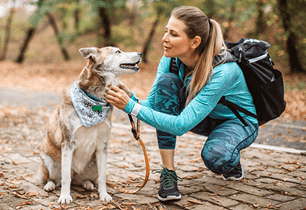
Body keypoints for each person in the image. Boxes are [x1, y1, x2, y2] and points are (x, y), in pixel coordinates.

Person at [105, 6, 258, 202]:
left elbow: (181, 125)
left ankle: (230, 157)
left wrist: (130, 107)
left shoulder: (223, 71)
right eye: (166, 31)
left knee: (216, 157)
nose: (164, 38)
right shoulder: (170, 60)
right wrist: (129, 98)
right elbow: (153, 105)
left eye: (173, 34)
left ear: (195, 42)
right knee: (166, 83)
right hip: (203, 117)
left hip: (237, 123)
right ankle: (168, 174)